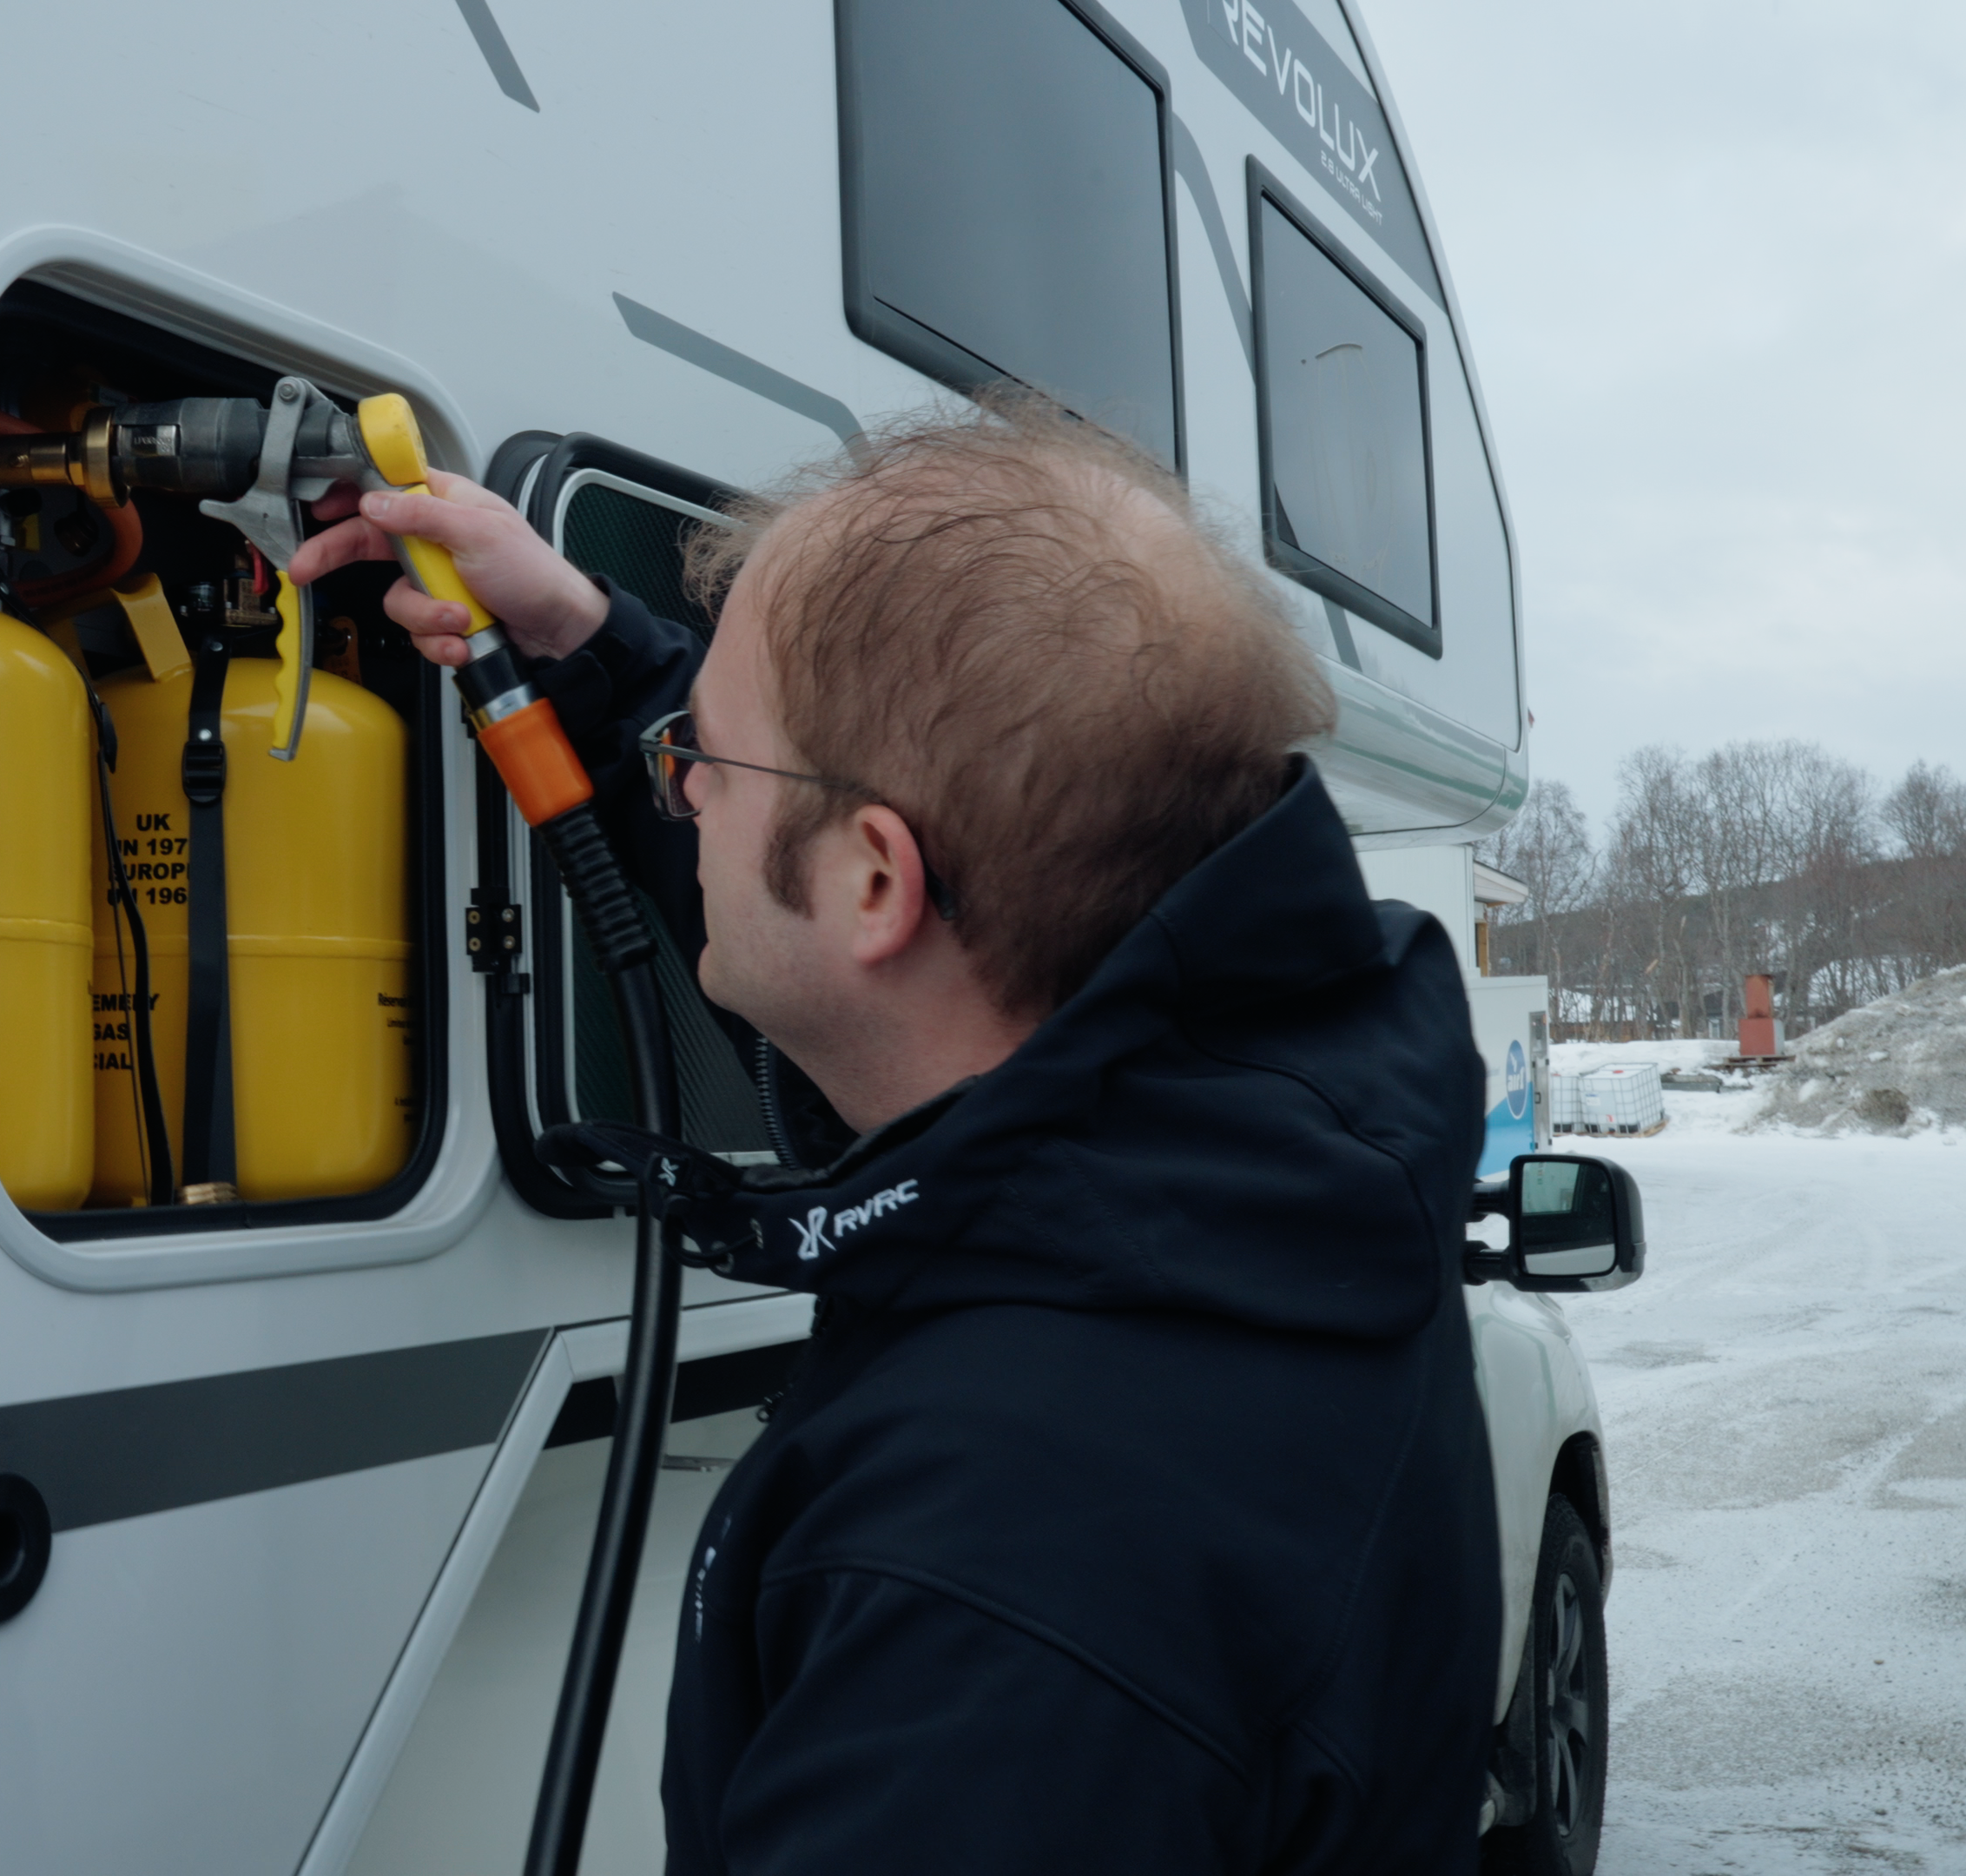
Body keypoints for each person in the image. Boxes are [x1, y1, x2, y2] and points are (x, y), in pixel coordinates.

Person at [293, 392, 1499, 1873]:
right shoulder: (1264, 1168)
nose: (676, 797)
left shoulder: (994, 1587)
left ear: (879, 883)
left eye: (699, 760)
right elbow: (828, 877)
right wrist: (591, 650)